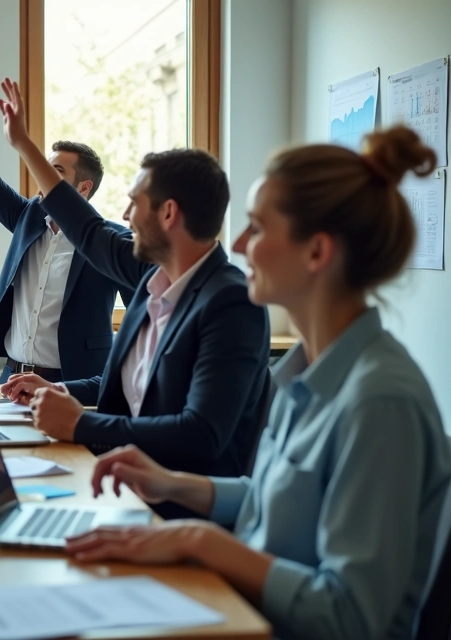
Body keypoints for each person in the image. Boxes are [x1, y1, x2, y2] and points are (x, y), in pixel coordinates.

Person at [65, 126, 451, 640]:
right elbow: (273, 502)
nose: (240, 245)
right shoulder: (303, 373)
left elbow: (352, 617)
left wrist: (199, 542)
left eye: (258, 228)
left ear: (316, 252)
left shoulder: (380, 402)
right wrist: (173, 484)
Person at [0, 79, 271, 515]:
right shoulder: (150, 279)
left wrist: (82, 423)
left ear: (168, 214)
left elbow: (200, 434)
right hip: (120, 491)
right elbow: (85, 229)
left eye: (133, 203)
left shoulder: (231, 303)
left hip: (175, 514)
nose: (124, 216)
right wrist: (59, 388)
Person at [0, 46, 134, 384]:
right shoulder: (27, 218)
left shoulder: (109, 242)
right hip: (12, 377)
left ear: (83, 188)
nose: (42, 177)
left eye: (56, 171)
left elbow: (144, 317)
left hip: (74, 383)